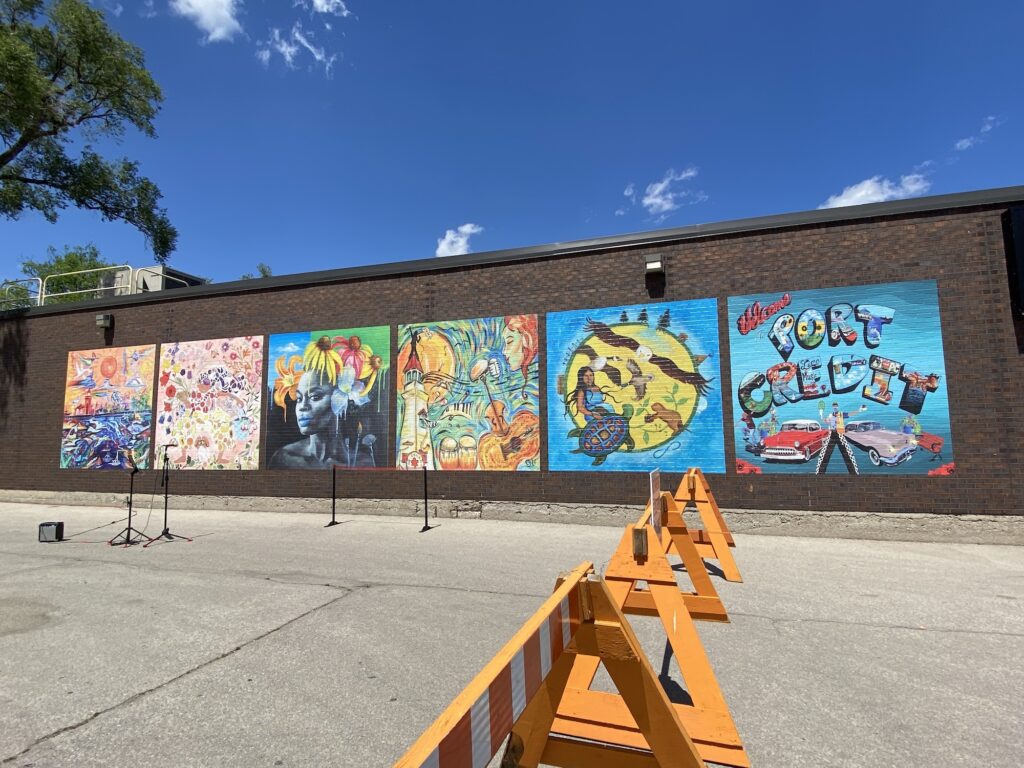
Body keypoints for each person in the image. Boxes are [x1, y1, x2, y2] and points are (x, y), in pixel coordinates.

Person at [269, 369, 338, 469]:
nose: (302, 406)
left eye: (315, 397)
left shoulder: (362, 461)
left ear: (341, 399)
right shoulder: (284, 458)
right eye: (299, 399)